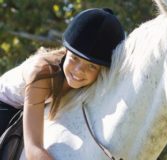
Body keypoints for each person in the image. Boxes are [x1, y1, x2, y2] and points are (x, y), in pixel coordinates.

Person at [0, 8, 125, 159]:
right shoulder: (41, 73)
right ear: (66, 51)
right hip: (6, 103)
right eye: (75, 58)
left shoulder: (94, 82)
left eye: (92, 66)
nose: (79, 71)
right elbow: (33, 150)